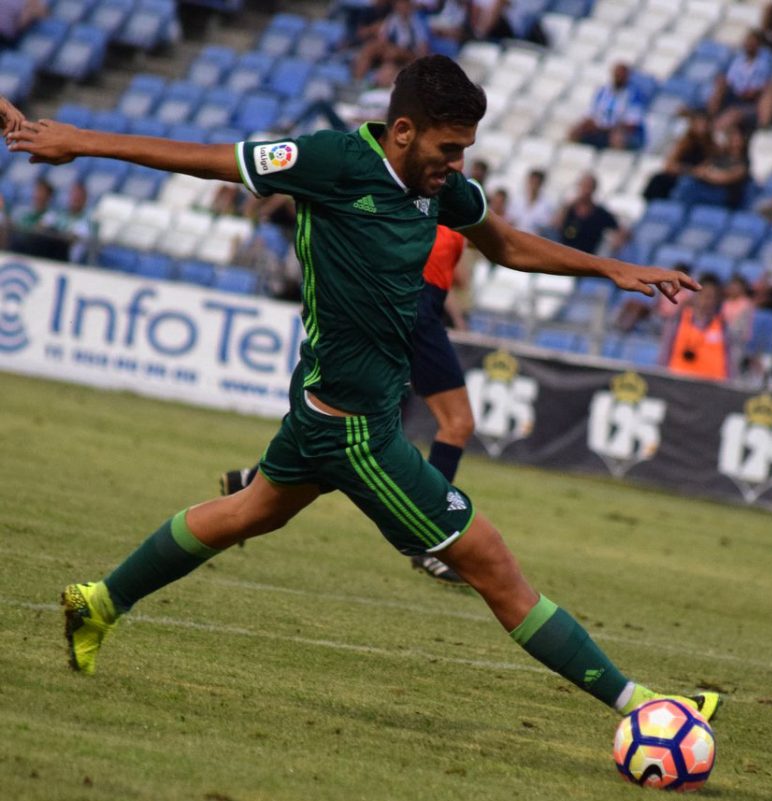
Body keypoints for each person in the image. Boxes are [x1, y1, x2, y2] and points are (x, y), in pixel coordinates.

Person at [5, 58, 718, 725]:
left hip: (327, 404)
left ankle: (97, 602)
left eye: (466, 149)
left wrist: (612, 268)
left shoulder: (442, 191)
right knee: (493, 565)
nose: (458, 164)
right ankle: (648, 708)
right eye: (448, 147)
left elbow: (506, 245)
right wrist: (79, 141)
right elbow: (210, 159)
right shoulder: (333, 163)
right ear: (402, 131)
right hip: (354, 429)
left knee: (248, 509)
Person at [220, 225, 476, 585]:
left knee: (363, 434)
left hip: (416, 305)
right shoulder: (433, 195)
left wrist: (457, 314)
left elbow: (452, 275)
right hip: (414, 307)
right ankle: (429, 544)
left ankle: (253, 479)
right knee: (452, 423)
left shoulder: (433, 196)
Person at [661, 273, 730, 381]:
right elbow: (665, 352)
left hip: (712, 387)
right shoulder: (678, 320)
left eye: (712, 297)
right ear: (695, 296)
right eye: (705, 295)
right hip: (677, 381)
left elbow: (730, 361)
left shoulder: (724, 327)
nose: (708, 301)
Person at [568, 63, 645, 151]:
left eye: (621, 74)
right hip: (599, 128)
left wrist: (611, 127)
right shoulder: (602, 92)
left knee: (617, 137)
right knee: (575, 131)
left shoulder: (634, 95)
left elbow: (632, 123)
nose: (618, 76)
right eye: (617, 73)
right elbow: (590, 113)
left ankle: (613, 161)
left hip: (618, 131)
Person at [554, 173, 620, 254]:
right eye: (583, 186)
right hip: (563, 253)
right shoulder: (569, 208)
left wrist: (616, 241)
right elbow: (556, 225)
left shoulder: (600, 214)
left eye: (589, 187)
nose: (586, 190)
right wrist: (567, 207)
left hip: (586, 259)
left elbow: (619, 229)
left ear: (594, 189)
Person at [504, 169, 555, 237]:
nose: (533, 185)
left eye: (537, 183)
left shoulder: (547, 205)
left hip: (533, 240)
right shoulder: (516, 199)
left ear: (541, 184)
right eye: (532, 182)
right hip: (514, 237)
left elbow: (544, 227)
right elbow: (509, 219)